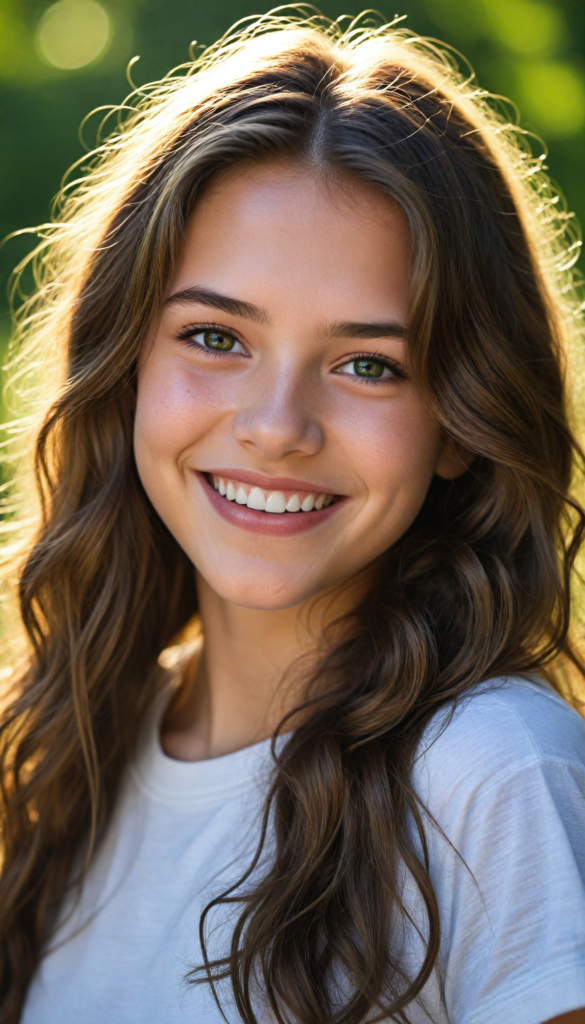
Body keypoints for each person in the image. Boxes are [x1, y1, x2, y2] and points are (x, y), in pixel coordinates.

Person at [0, 10, 584, 1024]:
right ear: (127, 362)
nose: (276, 428)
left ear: (460, 420)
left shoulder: (493, 775)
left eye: (368, 364)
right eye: (217, 336)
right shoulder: (65, 757)